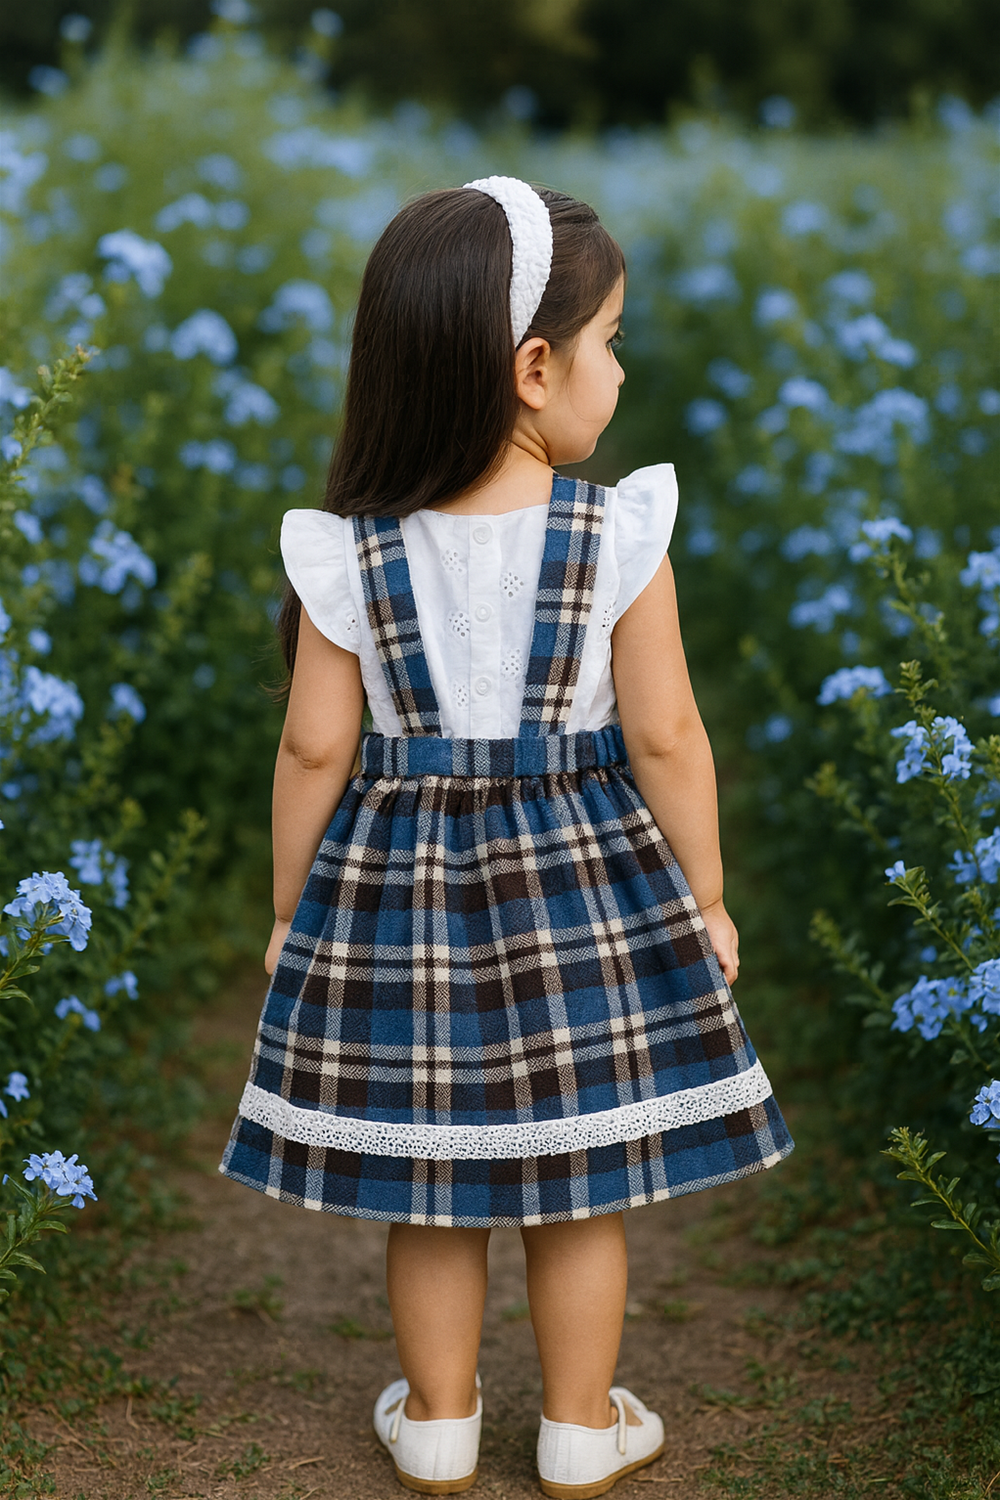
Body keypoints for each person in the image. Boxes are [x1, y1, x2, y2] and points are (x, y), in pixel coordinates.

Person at [220, 176, 792, 1498]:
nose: (620, 368)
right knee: (575, 1172)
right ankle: (582, 1429)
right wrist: (702, 891)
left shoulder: (350, 550)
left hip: (399, 899)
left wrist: (291, 907)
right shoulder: (612, 535)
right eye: (609, 343)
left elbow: (313, 749)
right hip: (583, 890)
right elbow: (669, 739)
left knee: (433, 1172)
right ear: (536, 368)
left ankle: (438, 1422)